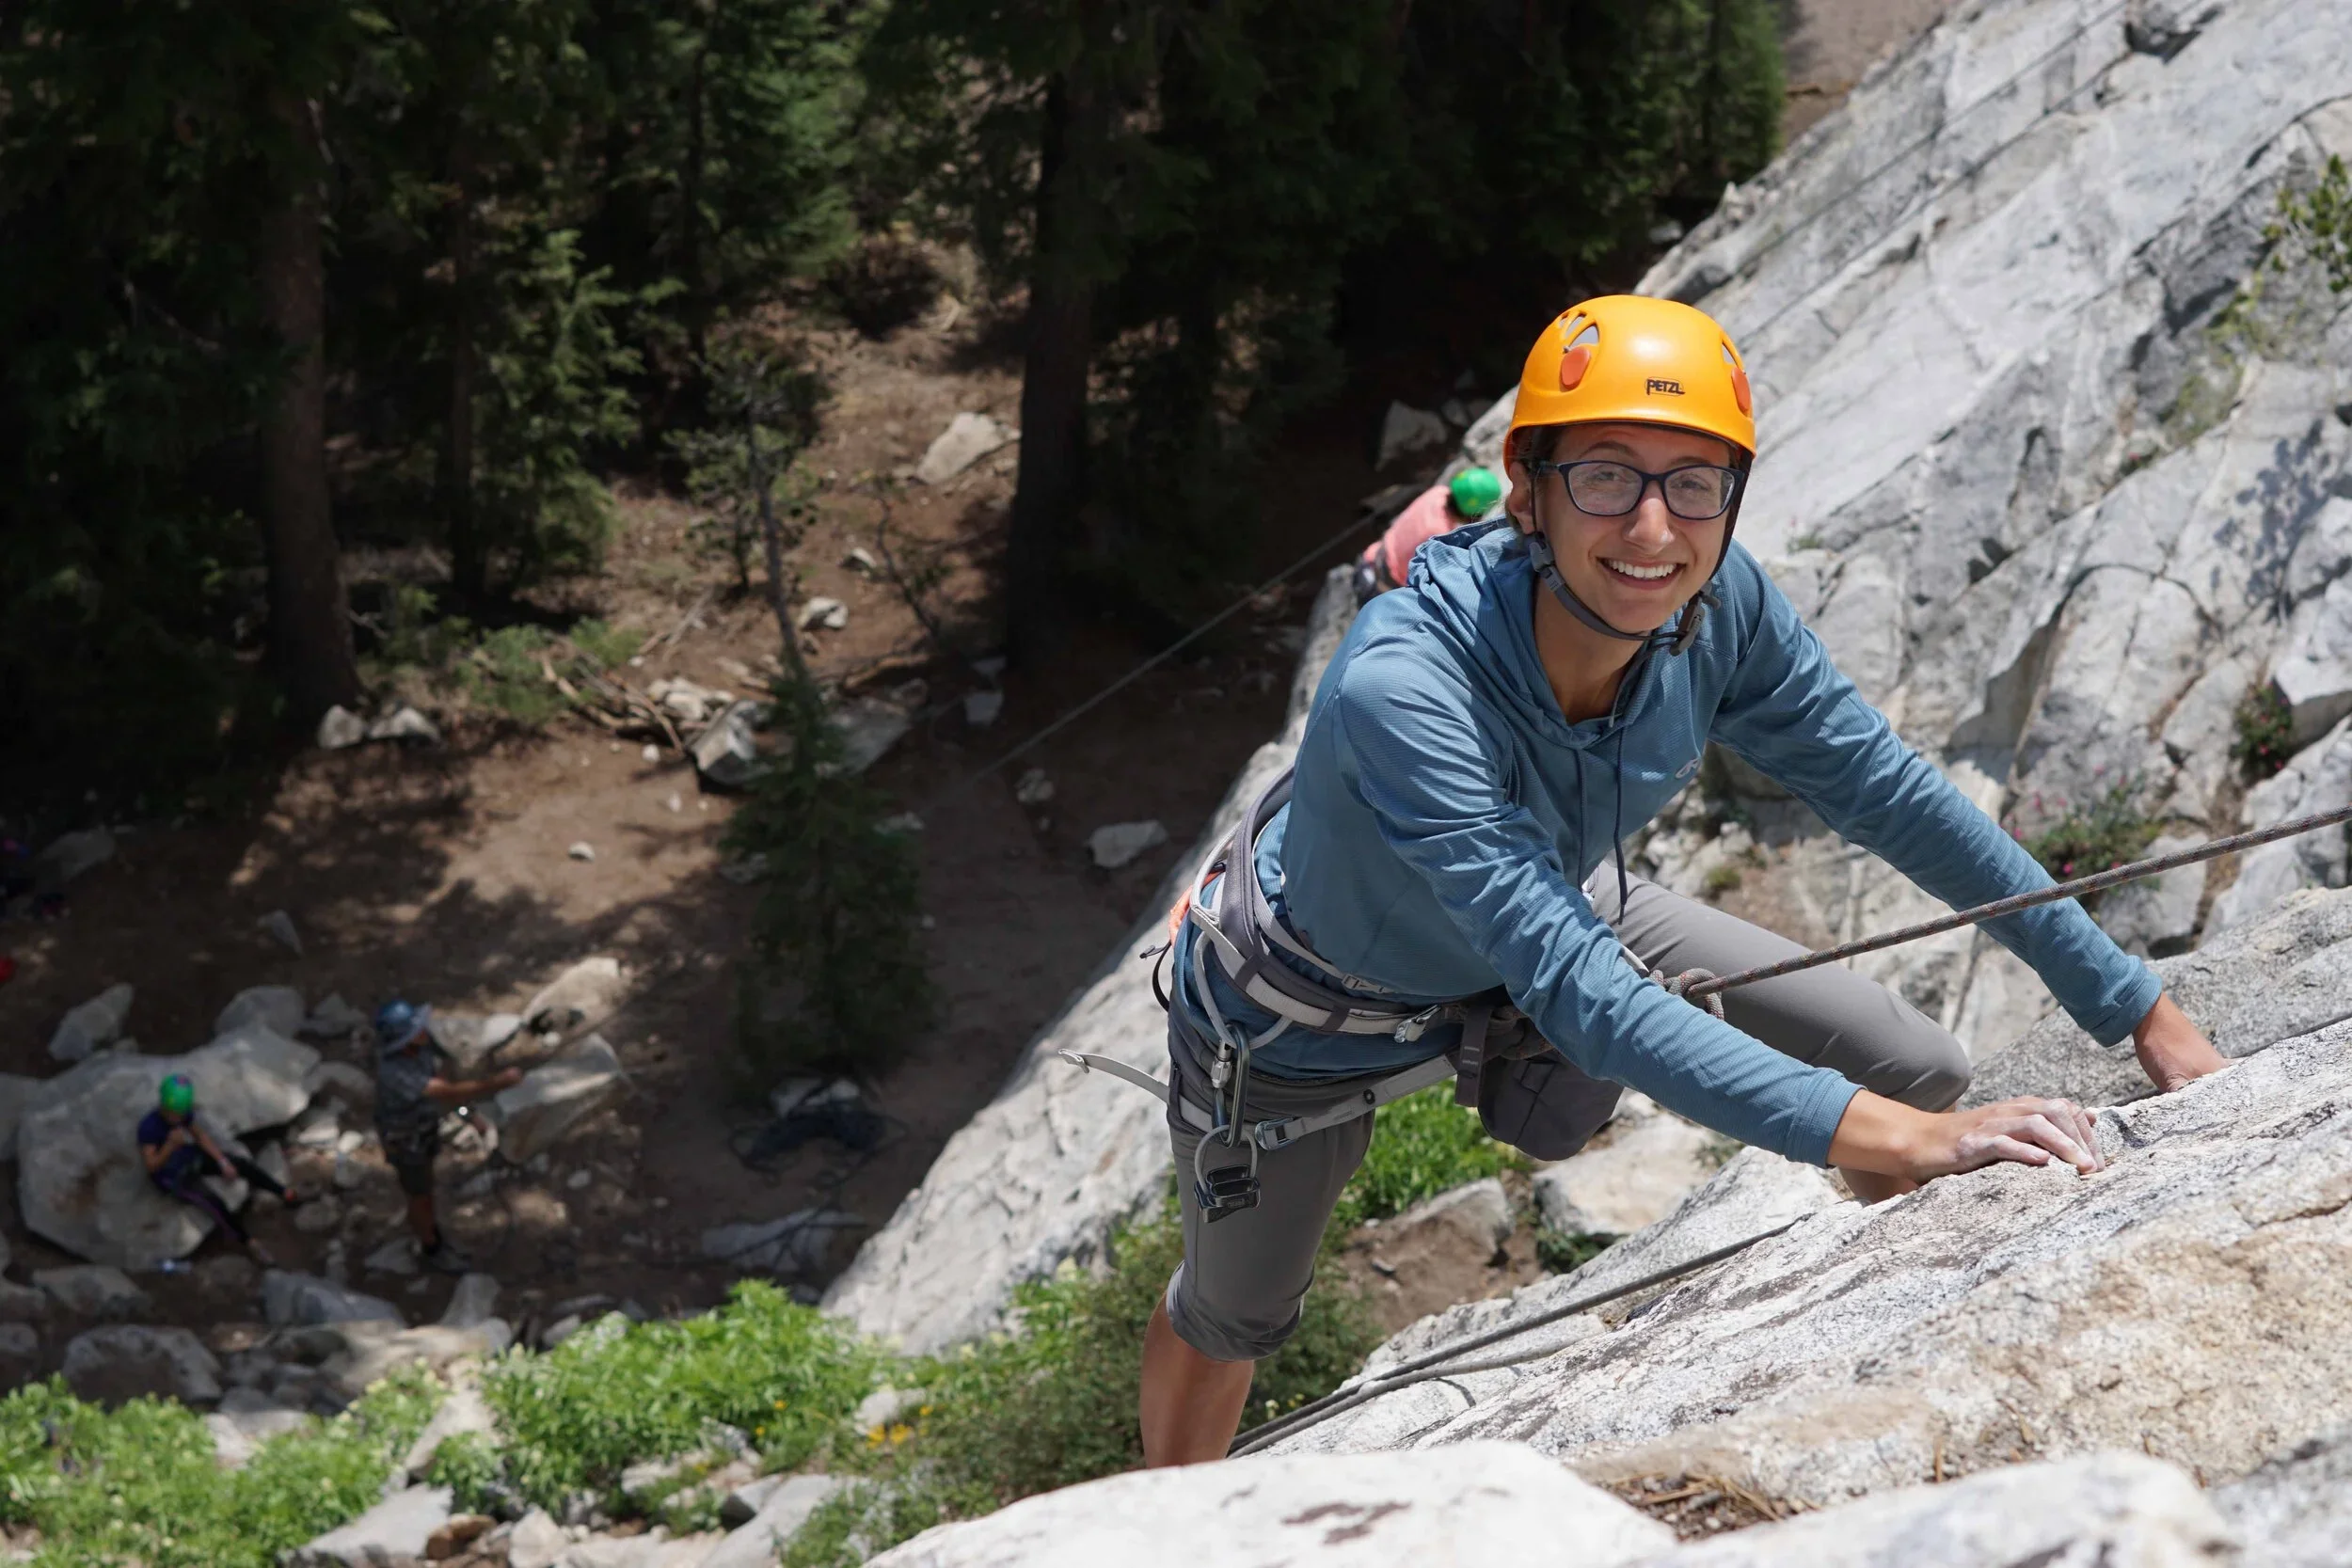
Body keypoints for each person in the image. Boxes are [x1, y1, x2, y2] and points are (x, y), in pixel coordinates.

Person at [1137, 294, 2230, 1465]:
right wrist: (1914, 1146)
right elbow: (1583, 993)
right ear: (1530, 485)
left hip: (1546, 909)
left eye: (1694, 482)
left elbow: (1884, 790)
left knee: (1916, 1068)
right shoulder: (1403, 685)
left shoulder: (1717, 612)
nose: (1652, 527)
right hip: (1302, 1024)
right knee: (1235, 1311)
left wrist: (2139, 1010)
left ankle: (1895, 1378)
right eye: (1607, 475)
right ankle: (1161, 1519)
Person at [373, 999, 523, 1274]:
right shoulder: (395, 1073)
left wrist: (468, 1114)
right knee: (419, 1194)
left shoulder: (420, 1047)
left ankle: (431, 1234)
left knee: (426, 1188)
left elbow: (449, 1089)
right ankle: (431, 1247)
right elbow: (448, 1092)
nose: (424, 1030)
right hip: (405, 1139)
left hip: (424, 1127)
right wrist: (498, 1083)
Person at [139, 1073, 297, 1263]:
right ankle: (249, 1242)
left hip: (187, 1157)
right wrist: (169, 1147)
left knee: (241, 1165)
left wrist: (222, 1162)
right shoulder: (148, 1127)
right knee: (214, 1202)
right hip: (172, 1176)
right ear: (165, 1106)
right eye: (176, 1114)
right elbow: (151, 1166)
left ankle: (283, 1192)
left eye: (182, 1113)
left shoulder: (182, 1113)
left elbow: (200, 1136)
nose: (179, 1117)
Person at [1354, 466, 1504, 603]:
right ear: (1475, 514)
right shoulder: (1443, 538)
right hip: (1383, 590)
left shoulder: (1437, 493)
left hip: (1371, 559)